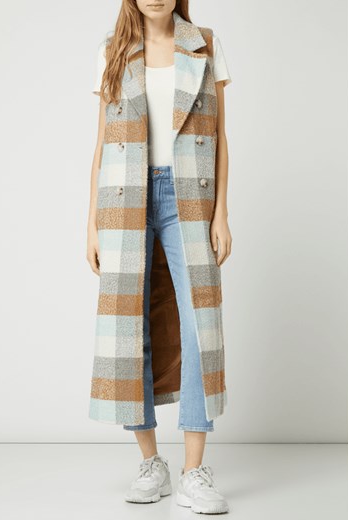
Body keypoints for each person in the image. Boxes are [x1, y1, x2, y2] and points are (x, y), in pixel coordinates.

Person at [86, 0, 232, 514]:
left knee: (200, 327)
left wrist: (220, 214)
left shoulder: (204, 43)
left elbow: (219, 137)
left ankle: (194, 471)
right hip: (123, 197)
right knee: (129, 328)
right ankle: (151, 462)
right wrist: (91, 224)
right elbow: (103, 143)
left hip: (188, 196)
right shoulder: (113, 50)